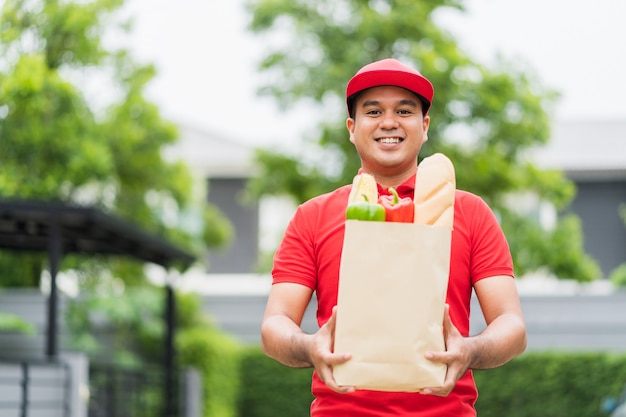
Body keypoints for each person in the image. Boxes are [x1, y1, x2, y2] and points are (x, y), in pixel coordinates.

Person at [260, 58, 527, 416]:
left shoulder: (470, 212)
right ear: (352, 127)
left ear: (425, 125)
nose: (389, 122)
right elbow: (275, 325)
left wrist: (470, 350)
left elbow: (512, 325)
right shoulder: (313, 216)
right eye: (373, 111)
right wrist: (309, 347)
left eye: (404, 110)